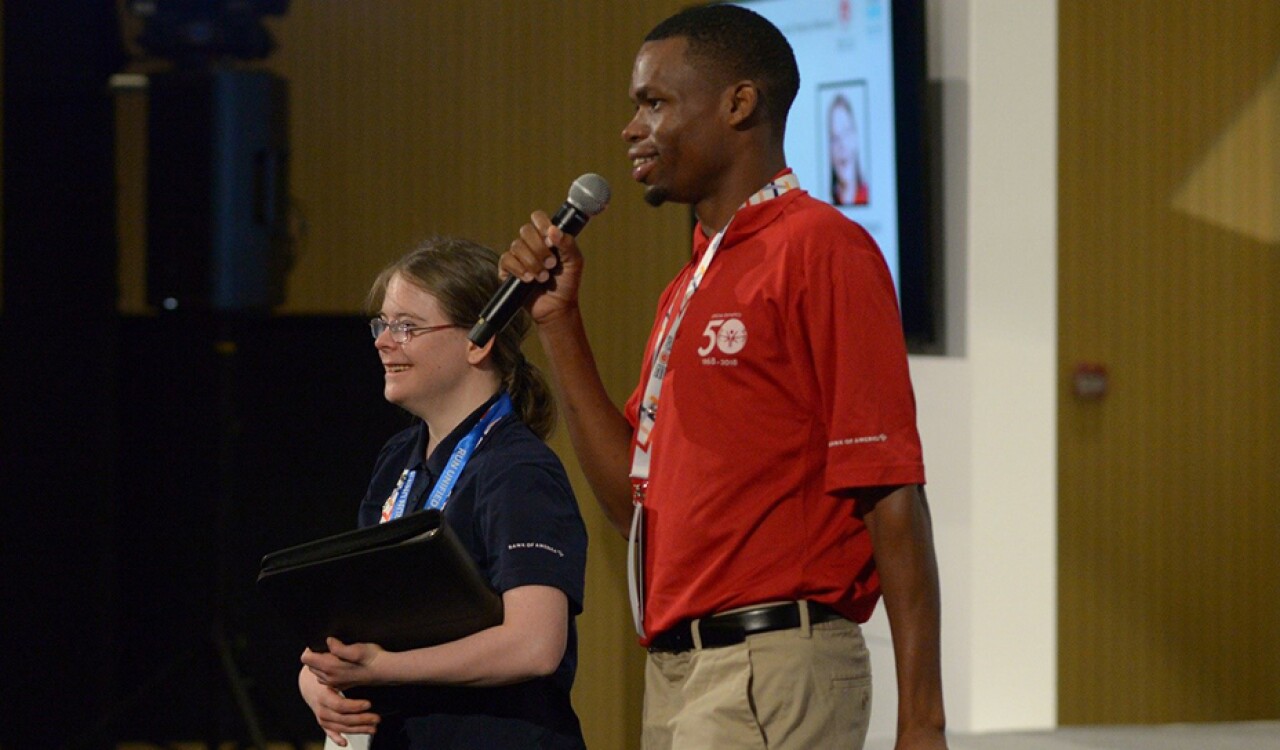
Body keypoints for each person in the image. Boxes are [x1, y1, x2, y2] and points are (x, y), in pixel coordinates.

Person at [501, 5, 946, 750]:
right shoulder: (690, 285)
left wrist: (922, 720)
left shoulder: (822, 250)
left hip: (770, 663)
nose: (631, 129)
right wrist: (558, 324)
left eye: (655, 103)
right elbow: (629, 509)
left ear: (739, 104)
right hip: (681, 671)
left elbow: (890, 488)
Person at [297, 237, 589, 750]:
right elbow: (357, 623)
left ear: (479, 342)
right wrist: (317, 684)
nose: (383, 342)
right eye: (382, 325)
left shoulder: (519, 471)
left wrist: (387, 669)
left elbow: (536, 645)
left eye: (406, 326)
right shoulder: (397, 459)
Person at [829, 92, 870, 206]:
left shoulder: (867, 195)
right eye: (835, 138)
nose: (841, 146)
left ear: (855, 138)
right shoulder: (827, 202)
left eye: (846, 133)